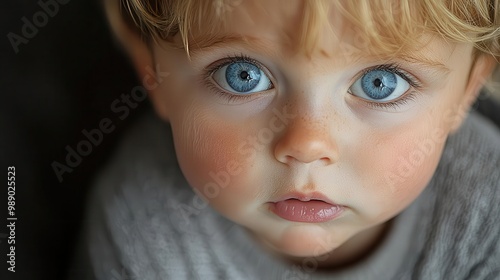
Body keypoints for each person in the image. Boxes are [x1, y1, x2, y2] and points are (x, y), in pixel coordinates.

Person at [73, 0, 500, 279]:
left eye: (379, 83)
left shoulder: (488, 217)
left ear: (467, 91)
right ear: (153, 75)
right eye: (243, 76)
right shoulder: (142, 225)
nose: (307, 145)